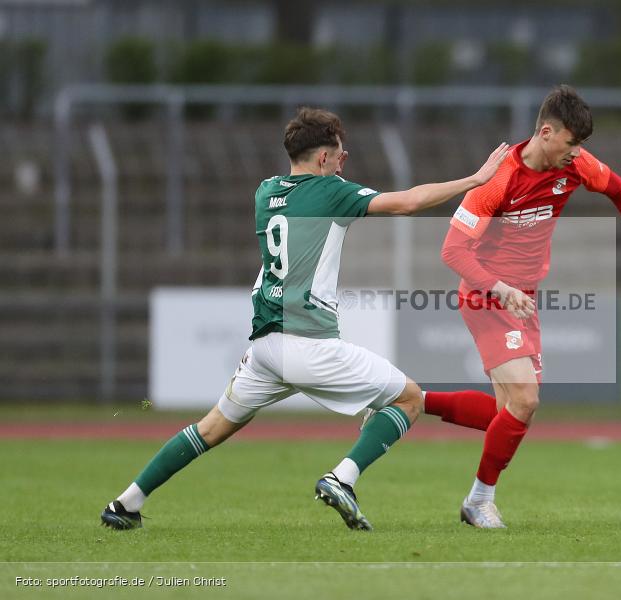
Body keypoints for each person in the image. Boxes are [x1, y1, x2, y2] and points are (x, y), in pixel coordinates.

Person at [100, 106, 510, 531]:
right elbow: (407, 202)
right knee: (406, 398)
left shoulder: (265, 192)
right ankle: (342, 478)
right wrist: (474, 180)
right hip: (307, 342)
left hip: (263, 347)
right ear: (322, 159)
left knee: (211, 428)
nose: (342, 160)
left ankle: (126, 502)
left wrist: (332, 165)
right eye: (338, 154)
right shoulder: (332, 191)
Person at [430, 85, 621, 528]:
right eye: (571, 142)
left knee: (508, 412)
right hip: (486, 295)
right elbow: (452, 252)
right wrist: (500, 287)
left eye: (580, 145)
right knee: (525, 398)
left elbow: (619, 190)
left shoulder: (576, 165)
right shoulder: (499, 181)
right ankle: (479, 501)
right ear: (546, 132)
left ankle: (411, 401)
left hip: (523, 299)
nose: (577, 153)